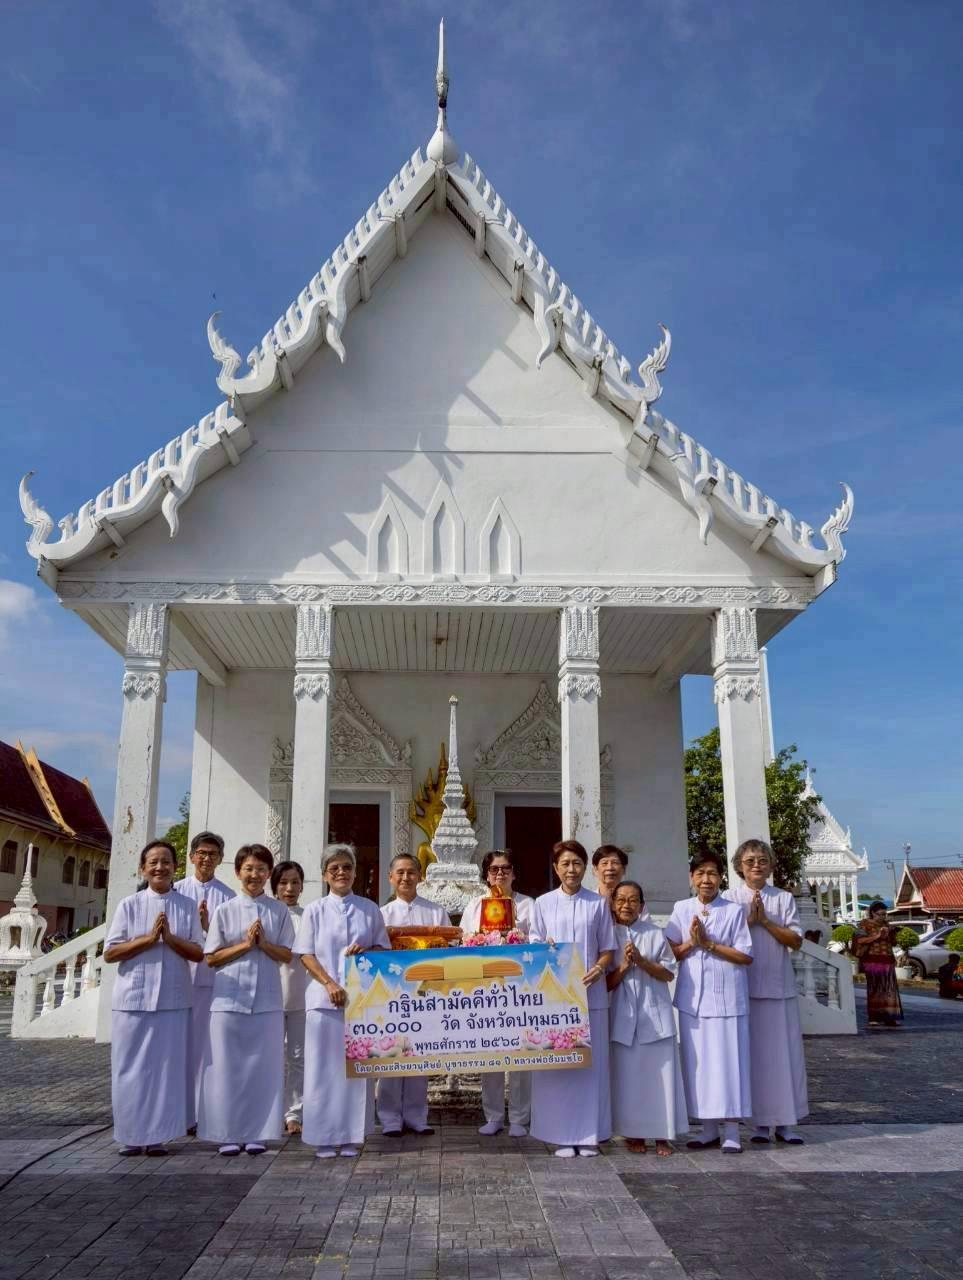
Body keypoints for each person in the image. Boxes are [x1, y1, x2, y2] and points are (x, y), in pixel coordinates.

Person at [104, 840, 204, 1157]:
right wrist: (148, 939)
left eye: (165, 861)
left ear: (176, 867)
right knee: (130, 1068)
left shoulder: (187, 905)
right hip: (133, 998)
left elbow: (199, 952)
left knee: (166, 1068)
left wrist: (170, 939)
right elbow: (110, 952)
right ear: (143, 868)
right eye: (153, 862)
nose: (160, 867)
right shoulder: (129, 905)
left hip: (173, 999)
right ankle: (131, 1135)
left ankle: (160, 1135)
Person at [198, 844, 295, 1156]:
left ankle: (258, 1132)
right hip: (229, 999)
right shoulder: (225, 910)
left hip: (267, 999)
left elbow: (287, 953)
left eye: (261, 869)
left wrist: (264, 943)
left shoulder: (278, 910)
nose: (255, 875)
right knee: (227, 1067)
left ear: (269, 874)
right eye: (249, 869)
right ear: (238, 872)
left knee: (263, 1069)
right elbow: (211, 958)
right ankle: (227, 1132)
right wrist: (245, 945)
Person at [294, 844, 389, 1158]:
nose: (341, 873)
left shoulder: (369, 908)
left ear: (354, 871)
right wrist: (329, 983)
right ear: (324, 875)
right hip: (323, 1001)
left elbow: (382, 949)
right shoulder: (314, 910)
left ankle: (351, 1136)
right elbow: (306, 954)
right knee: (322, 1069)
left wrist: (366, 952)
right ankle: (323, 1136)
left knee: (355, 1071)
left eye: (347, 867)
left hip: (360, 1003)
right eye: (334, 868)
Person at [529, 839, 617, 1158]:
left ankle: (589, 1134)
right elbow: (534, 946)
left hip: (591, 994)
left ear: (585, 868)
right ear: (556, 868)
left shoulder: (597, 904)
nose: (571, 869)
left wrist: (598, 969)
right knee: (559, 1068)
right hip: (556, 1000)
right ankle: (561, 1134)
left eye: (577, 863)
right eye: (565, 863)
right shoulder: (543, 904)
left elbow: (608, 948)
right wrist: (545, 948)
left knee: (590, 1068)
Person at [665, 852, 753, 1154]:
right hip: (694, 1002)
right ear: (691, 877)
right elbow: (671, 952)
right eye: (700, 873)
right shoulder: (681, 908)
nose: (706, 880)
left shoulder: (733, 911)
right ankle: (707, 1128)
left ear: (721, 878)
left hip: (728, 999)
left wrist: (710, 944)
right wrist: (693, 943)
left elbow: (745, 955)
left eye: (712, 873)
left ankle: (731, 1130)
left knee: (729, 1065)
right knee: (699, 1065)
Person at [725, 839, 808, 1145]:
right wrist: (749, 919)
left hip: (778, 987)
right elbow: (723, 938)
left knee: (784, 1058)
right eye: (750, 861)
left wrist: (765, 921)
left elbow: (795, 940)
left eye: (762, 860)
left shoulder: (783, 898)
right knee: (754, 1059)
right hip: (743, 987)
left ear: (771, 865)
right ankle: (759, 1124)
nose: (756, 866)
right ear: (739, 867)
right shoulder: (729, 898)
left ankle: (786, 1123)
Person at [607, 880, 687, 1156]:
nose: (626, 905)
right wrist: (625, 965)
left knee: (660, 1078)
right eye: (621, 900)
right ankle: (635, 1132)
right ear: (612, 904)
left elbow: (668, 973)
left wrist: (641, 962)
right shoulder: (607, 935)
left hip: (655, 1015)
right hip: (623, 1014)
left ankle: (663, 1135)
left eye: (632, 900)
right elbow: (606, 983)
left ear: (641, 906)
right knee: (629, 1078)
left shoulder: (654, 933)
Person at [461, 849, 536, 1137]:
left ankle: (519, 1118)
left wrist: (514, 938)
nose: (500, 874)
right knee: (490, 1053)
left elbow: (538, 939)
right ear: (486, 874)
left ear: (514, 873)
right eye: (494, 870)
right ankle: (493, 1116)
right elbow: (465, 938)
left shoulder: (527, 905)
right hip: (485, 987)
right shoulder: (476, 905)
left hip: (520, 987)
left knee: (520, 1055)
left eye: (505, 869)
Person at [378, 852, 450, 1137]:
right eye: (400, 872)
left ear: (420, 877)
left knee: (419, 1056)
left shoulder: (436, 912)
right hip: (392, 996)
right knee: (392, 1055)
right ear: (391, 877)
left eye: (411, 872)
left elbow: (447, 952)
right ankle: (389, 1118)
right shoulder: (381, 914)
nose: (406, 877)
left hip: (425, 995)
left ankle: (417, 1115)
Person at [173, 830, 235, 1129]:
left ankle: (205, 1112)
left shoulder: (228, 897)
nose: (206, 859)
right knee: (181, 1048)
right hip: (180, 978)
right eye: (202, 853)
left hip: (213, 981)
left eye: (213, 854)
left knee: (208, 1050)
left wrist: (208, 927)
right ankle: (181, 1112)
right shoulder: (176, 892)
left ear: (221, 859)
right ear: (191, 856)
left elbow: (231, 941)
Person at [271, 859, 308, 1134]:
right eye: (284, 882)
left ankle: (294, 1113)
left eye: (295, 882)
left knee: (298, 1056)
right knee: (270, 1056)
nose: (289, 888)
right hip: (268, 996)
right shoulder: (266, 914)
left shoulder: (309, 916)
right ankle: (270, 1111)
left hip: (301, 995)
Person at [851, 902, 903, 1028]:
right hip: (872, 960)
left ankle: (889, 1018)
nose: (883, 917)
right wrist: (877, 935)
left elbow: (893, 943)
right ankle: (873, 1017)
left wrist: (892, 933)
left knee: (888, 989)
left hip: (887, 960)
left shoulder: (886, 925)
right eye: (880, 914)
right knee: (874, 989)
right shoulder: (865, 924)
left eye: (885, 914)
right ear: (873, 913)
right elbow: (860, 940)